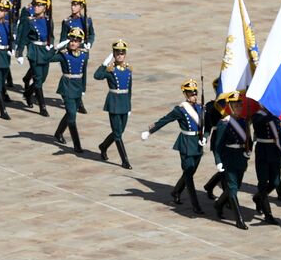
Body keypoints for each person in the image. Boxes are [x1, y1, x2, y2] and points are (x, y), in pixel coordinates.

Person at [141, 80, 207, 215]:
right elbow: (165, 120)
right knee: (189, 174)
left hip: (198, 143)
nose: (194, 96)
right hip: (186, 144)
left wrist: (205, 136)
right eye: (191, 94)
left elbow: (208, 123)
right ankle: (196, 205)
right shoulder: (180, 110)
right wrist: (150, 131)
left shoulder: (201, 107)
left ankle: (176, 191)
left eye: (195, 93)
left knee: (190, 171)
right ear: (185, 94)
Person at [210, 90, 251, 229]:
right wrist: (218, 161)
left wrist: (249, 151)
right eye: (236, 106)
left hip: (241, 157)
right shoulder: (224, 123)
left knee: (235, 187)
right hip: (229, 157)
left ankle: (218, 204)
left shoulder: (244, 121)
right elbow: (218, 145)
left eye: (240, 105)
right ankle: (239, 219)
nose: (239, 108)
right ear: (231, 107)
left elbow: (248, 140)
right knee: (232, 188)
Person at [93, 39, 132, 168]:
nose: (120, 55)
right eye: (117, 53)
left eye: (122, 53)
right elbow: (97, 76)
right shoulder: (110, 70)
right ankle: (125, 160)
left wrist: (129, 106)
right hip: (114, 103)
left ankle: (103, 146)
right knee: (117, 133)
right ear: (114, 54)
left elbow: (129, 89)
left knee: (120, 131)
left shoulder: (128, 69)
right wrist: (104, 63)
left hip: (124, 103)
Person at [250, 104, 281, 224]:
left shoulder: (276, 116)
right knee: (262, 182)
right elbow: (258, 122)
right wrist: (275, 114)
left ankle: (258, 197)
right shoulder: (257, 115)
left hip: (275, 151)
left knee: (275, 182)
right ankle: (268, 214)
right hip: (262, 150)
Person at [53, 26, 88, 151]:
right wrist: (55, 48)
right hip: (67, 86)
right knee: (72, 117)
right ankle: (77, 145)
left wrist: (83, 88)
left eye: (76, 41)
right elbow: (47, 59)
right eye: (71, 40)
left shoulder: (84, 54)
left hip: (77, 87)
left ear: (80, 42)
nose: (73, 43)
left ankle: (58, 133)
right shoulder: (64, 54)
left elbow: (84, 72)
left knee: (70, 113)